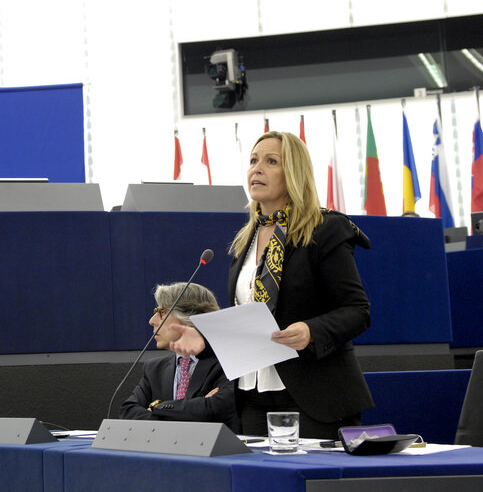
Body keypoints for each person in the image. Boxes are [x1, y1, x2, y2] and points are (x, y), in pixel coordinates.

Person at [169, 131, 374, 440]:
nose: (257, 169)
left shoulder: (325, 229)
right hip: (253, 392)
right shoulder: (244, 242)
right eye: (253, 161)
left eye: (271, 161)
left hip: (314, 393)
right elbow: (249, 320)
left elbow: (358, 311)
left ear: (293, 172)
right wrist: (204, 338)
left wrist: (311, 331)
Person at [119, 282, 240, 433]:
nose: (152, 320)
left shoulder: (228, 363)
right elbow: (128, 412)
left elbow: (213, 409)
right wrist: (186, 411)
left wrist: (155, 407)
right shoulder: (154, 369)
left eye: (161, 312)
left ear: (189, 317)